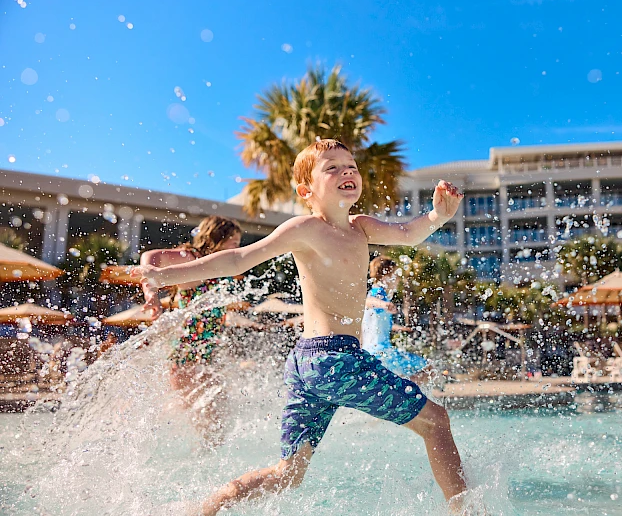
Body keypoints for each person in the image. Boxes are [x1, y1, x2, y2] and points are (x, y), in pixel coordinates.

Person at [133, 139, 467, 515]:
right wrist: (164, 277)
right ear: (306, 191)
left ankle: (203, 509)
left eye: (351, 166)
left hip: (310, 363)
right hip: (334, 359)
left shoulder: (361, 228)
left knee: (289, 473)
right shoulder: (306, 228)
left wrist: (438, 216)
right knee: (436, 421)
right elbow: (240, 257)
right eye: (332, 167)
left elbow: (407, 233)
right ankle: (468, 513)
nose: (347, 172)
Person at [138, 215, 242, 443]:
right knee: (201, 417)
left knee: (214, 416)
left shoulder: (218, 266)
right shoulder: (192, 258)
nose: (237, 247)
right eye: (234, 242)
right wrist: (151, 293)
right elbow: (151, 257)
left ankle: (204, 458)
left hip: (206, 354)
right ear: (218, 238)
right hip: (186, 354)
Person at [362, 256, 429, 382]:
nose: (398, 280)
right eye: (396, 276)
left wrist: (400, 328)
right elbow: (366, 301)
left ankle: (402, 390)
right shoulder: (378, 292)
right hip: (382, 353)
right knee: (427, 368)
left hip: (373, 353)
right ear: (386, 275)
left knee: (394, 380)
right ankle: (405, 392)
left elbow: (376, 324)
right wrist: (383, 304)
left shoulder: (382, 294)